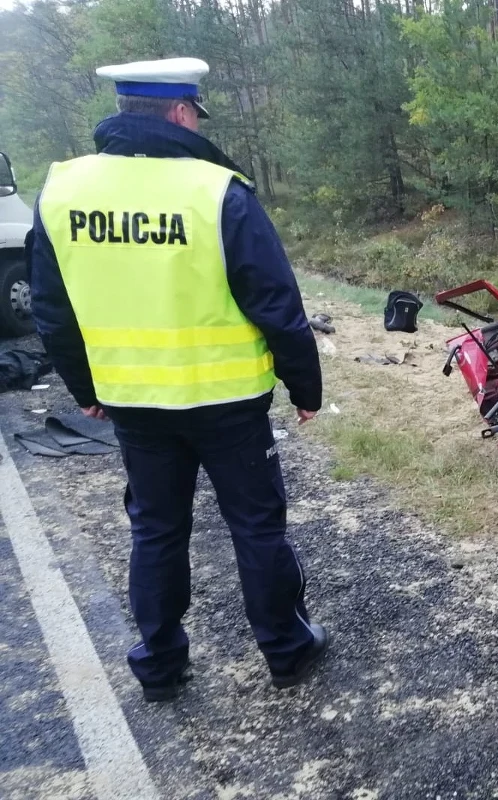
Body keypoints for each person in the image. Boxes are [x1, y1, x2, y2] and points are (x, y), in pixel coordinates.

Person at [28, 57, 329, 702]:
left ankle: (160, 665)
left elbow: (52, 311)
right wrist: (305, 389)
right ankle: (285, 649)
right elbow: (276, 303)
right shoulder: (218, 191)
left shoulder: (64, 191)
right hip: (228, 402)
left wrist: (86, 388)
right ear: (182, 112)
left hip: (134, 403)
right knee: (256, 527)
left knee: (156, 531)